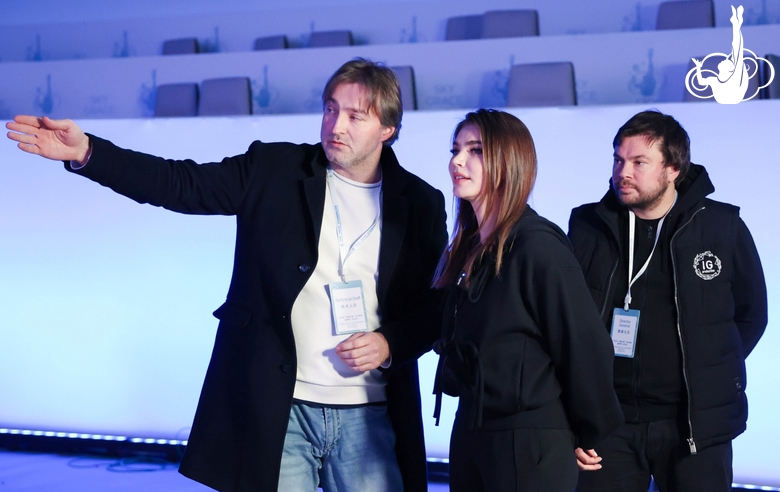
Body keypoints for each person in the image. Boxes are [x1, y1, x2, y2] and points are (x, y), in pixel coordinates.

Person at [6, 58, 448, 492]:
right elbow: (179, 183)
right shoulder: (273, 170)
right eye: (331, 108)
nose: (336, 125)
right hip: (280, 409)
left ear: (387, 129)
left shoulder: (421, 204)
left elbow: (433, 310)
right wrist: (88, 153)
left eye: (355, 116)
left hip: (368, 413)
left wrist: (391, 343)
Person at [569, 110, 767, 492]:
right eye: (618, 159)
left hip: (692, 425)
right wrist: (578, 415)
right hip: (610, 423)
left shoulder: (720, 226)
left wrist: (710, 367)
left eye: (639, 162)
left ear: (673, 168)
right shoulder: (587, 225)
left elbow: (752, 313)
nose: (623, 172)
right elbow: (568, 319)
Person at [430, 109, 623, 492]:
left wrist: (588, 431)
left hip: (528, 442)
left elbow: (583, 345)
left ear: (509, 161)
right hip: (471, 431)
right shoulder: (467, 248)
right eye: (456, 150)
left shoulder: (538, 244)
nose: (457, 161)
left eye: (476, 150)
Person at [691, 5, 751, 104]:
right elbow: (701, 82)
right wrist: (698, 67)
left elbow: (737, 48)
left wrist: (736, 26)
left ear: (730, 69)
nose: (725, 59)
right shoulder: (714, 80)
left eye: (728, 61)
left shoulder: (735, 79)